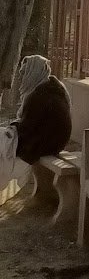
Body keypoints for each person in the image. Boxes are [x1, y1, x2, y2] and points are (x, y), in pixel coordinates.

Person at [0, 56, 72, 202]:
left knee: (3, 145)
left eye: (24, 73)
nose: (22, 78)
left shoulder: (41, 95)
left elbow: (27, 129)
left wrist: (11, 129)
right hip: (51, 141)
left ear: (33, 73)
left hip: (44, 144)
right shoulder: (50, 87)